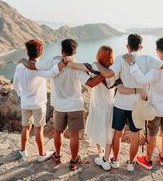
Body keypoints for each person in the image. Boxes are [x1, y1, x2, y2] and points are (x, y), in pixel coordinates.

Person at [95, 34, 163, 172]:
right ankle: (131, 163)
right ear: (141, 47)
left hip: (120, 104)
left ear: (127, 46)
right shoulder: (148, 59)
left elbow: (108, 74)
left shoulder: (121, 59)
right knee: (135, 136)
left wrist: (97, 64)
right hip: (137, 107)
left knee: (117, 134)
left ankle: (114, 160)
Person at [19, 38, 105, 170]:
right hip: (75, 105)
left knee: (58, 132)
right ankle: (74, 160)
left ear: (62, 51)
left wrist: (22, 60)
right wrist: (104, 74)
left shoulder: (52, 61)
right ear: (74, 52)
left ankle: (58, 156)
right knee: (74, 135)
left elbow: (32, 66)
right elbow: (91, 84)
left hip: (58, 105)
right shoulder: (78, 67)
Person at [66, 45, 148, 171]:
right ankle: (106, 157)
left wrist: (66, 60)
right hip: (110, 106)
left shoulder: (94, 67)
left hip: (97, 105)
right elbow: (120, 88)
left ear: (99, 55)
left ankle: (102, 156)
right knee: (109, 134)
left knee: (98, 130)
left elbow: (74, 66)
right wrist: (138, 90)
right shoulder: (114, 70)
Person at [125, 37, 163, 169]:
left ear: (157, 50)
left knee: (152, 134)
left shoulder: (155, 68)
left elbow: (142, 80)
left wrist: (133, 65)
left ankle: (148, 160)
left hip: (155, 108)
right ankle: (162, 157)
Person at [13, 39, 61, 163]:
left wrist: (21, 95)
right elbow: (52, 72)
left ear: (27, 52)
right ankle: (41, 154)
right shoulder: (39, 68)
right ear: (40, 52)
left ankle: (23, 151)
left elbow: (16, 84)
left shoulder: (19, 66)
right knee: (38, 129)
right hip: (38, 103)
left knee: (25, 127)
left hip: (25, 103)